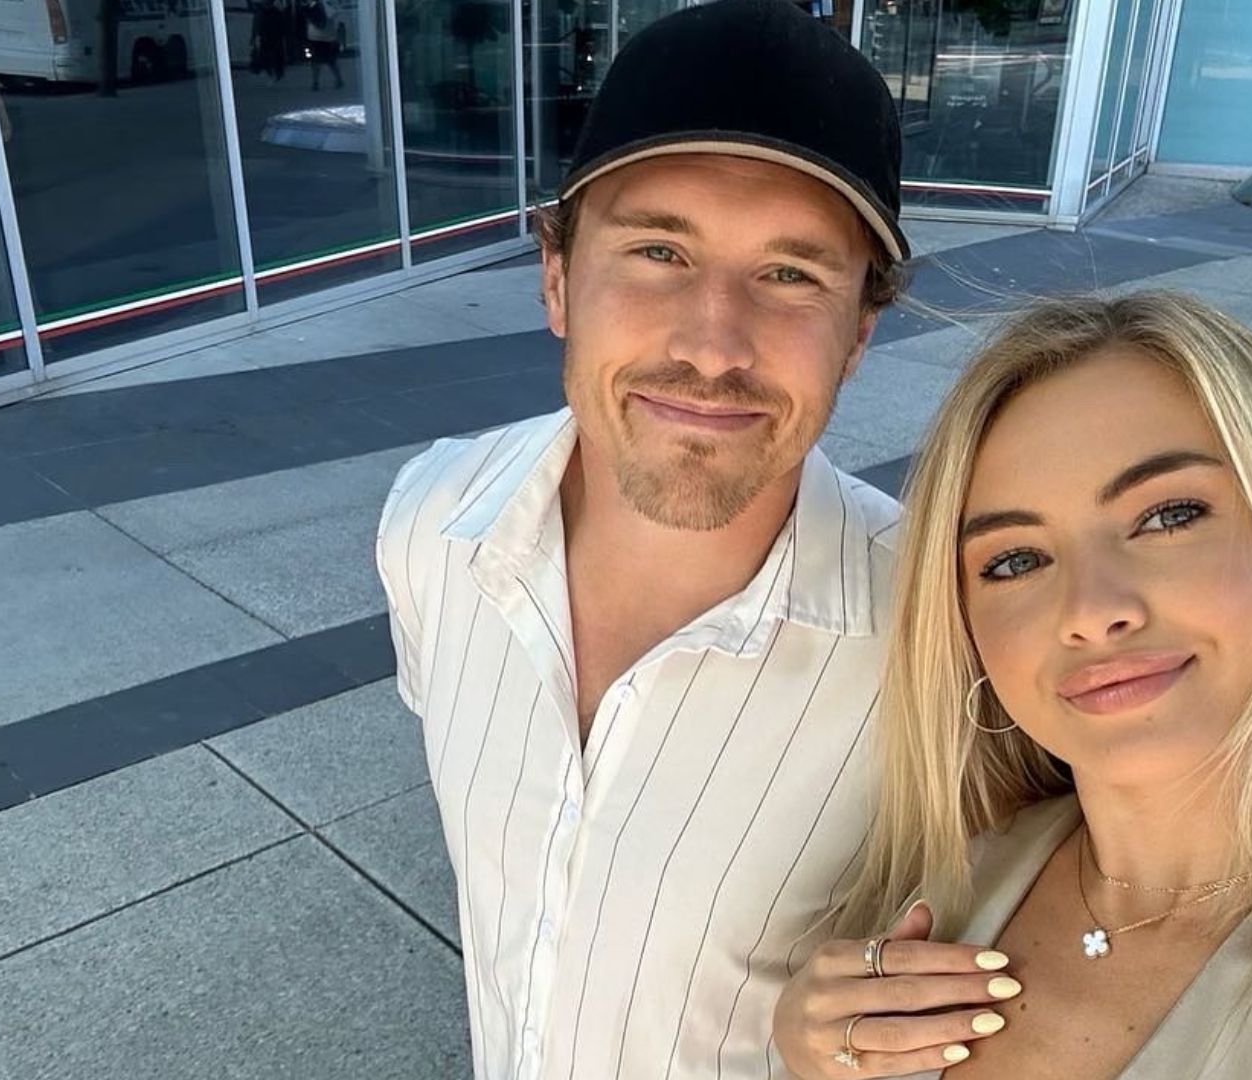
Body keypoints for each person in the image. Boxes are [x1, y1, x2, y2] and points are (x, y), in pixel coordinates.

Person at [772, 292, 1252, 1078]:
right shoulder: (937, 884)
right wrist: (800, 1047)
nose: (1090, 611)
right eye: (1015, 560)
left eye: (1169, 516)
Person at [374, 2, 913, 1076]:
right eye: (659, 251)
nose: (712, 348)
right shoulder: (433, 522)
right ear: (556, 277)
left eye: (791, 275)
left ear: (858, 331)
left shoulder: (939, 640)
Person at [300, 0, 341, 90]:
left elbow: (308, 19)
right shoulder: (328, 5)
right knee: (330, 61)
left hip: (315, 37)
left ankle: (316, 82)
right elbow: (334, 16)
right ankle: (338, 79)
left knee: (315, 61)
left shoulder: (312, 6)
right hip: (327, 36)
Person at [251, 0, 288, 83]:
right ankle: (275, 73)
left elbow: (257, 26)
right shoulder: (275, 13)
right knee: (273, 56)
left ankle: (273, 73)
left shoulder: (262, 13)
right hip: (272, 38)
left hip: (269, 38)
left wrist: (255, 37)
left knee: (270, 56)